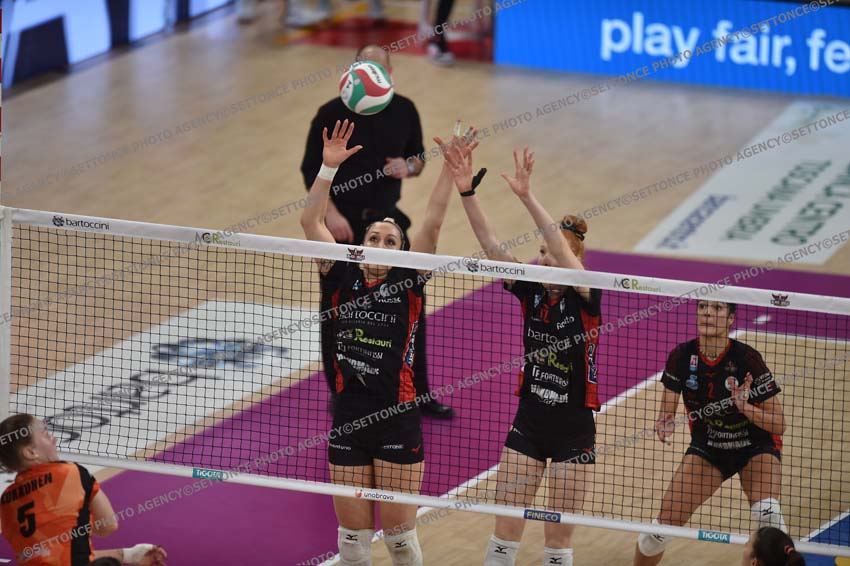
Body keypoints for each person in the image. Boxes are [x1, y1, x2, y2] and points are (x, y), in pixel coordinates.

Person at [300, 119, 474, 565]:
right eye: (374, 237)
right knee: (351, 544)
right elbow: (310, 220)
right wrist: (327, 168)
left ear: (402, 251)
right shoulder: (339, 274)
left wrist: (448, 172)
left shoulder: (409, 280)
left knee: (400, 543)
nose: (380, 242)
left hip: (398, 419)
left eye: (390, 240)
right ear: (361, 244)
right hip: (348, 418)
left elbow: (433, 220)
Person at [444, 146, 601, 566]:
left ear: (573, 260)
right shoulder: (530, 291)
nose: (542, 258)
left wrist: (527, 196)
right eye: (540, 252)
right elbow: (490, 245)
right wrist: (466, 193)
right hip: (529, 425)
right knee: (503, 538)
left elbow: (561, 249)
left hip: (574, 433)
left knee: (557, 546)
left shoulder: (588, 296)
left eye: (551, 253)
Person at [301, 44, 453, 419]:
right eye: (363, 66)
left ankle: (419, 392)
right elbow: (310, 169)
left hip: (388, 227)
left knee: (409, 309)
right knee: (335, 311)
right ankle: (340, 390)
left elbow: (418, 158)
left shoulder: (404, 109)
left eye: (377, 68)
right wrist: (331, 214)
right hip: (344, 227)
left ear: (390, 73)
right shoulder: (331, 113)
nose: (369, 73)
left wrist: (409, 166)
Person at [634, 301, 787, 566]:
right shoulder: (681, 356)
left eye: (717, 309)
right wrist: (664, 421)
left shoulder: (747, 359)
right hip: (709, 448)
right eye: (703, 306)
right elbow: (667, 410)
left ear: (730, 318)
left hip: (755, 446)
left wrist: (745, 407)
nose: (707, 313)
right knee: (657, 533)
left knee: (769, 517)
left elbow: (779, 424)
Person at [0, 414, 168, 566]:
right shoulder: (70, 473)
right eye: (46, 434)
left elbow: (66, 556)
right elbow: (107, 526)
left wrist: (128, 555)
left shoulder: (6, 502)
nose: (54, 439)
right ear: (30, 452)